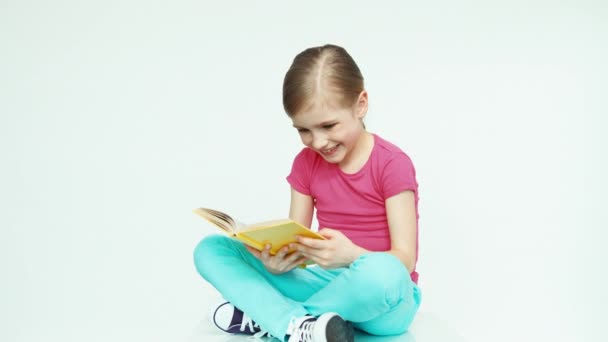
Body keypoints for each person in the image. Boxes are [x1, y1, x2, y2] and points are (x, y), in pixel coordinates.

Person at [193, 44, 421, 342]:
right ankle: (305, 326)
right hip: (325, 286)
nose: (318, 141)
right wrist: (277, 261)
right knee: (211, 249)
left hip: (385, 301)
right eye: (304, 130)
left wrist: (349, 256)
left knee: (384, 272)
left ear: (361, 104)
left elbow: (405, 261)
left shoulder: (392, 164)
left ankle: (278, 320)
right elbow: (296, 244)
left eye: (329, 125)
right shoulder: (305, 165)